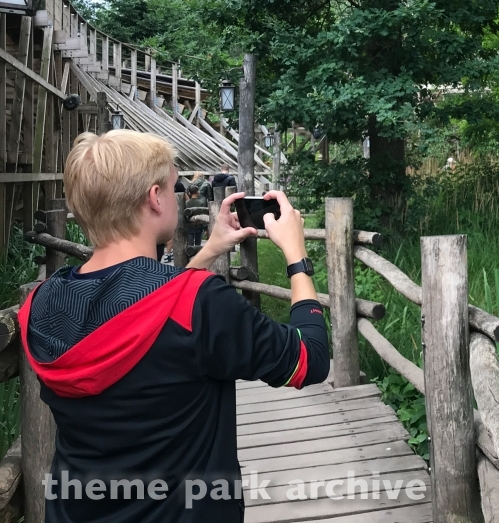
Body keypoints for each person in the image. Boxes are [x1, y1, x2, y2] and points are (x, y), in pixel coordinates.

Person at [19, 130, 329, 522]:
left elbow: (147, 309)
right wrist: (296, 256)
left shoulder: (43, 302)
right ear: (154, 198)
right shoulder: (202, 304)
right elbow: (309, 359)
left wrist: (211, 248)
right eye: (172, 184)